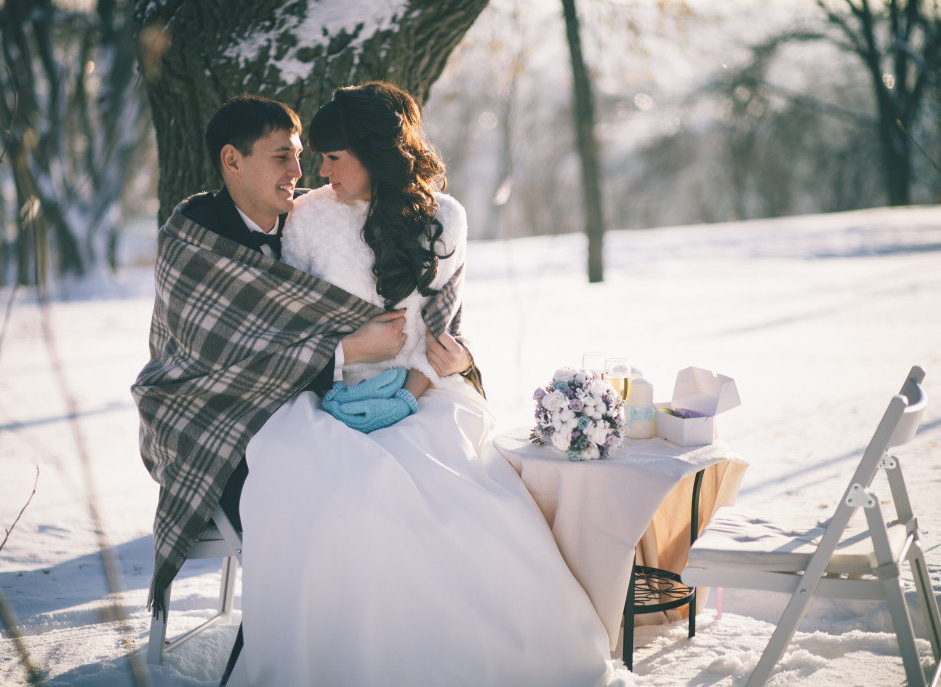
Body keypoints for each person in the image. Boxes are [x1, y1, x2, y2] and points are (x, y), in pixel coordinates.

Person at [228, 82, 619, 687]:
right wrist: (344, 361)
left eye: (334, 156)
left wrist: (410, 390)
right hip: (324, 393)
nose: (318, 170)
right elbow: (286, 332)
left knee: (458, 501)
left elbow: (444, 335)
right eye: (318, 156)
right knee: (338, 491)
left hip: (427, 392)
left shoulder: (444, 217)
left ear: (374, 151)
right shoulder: (304, 222)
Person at [130, 94, 476, 634]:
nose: (301, 172)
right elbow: (213, 367)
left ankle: (420, 630)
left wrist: (444, 363)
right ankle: (341, 635)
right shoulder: (198, 237)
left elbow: (434, 319)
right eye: (281, 157)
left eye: (301, 155)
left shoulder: (307, 222)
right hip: (213, 422)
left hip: (323, 403)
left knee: (447, 484)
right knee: (353, 493)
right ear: (232, 160)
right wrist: (345, 352)